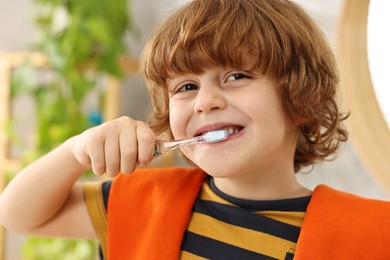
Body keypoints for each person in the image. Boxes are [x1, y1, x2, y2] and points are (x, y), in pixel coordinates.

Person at [1, 0, 390, 259]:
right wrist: (75, 151)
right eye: (186, 87)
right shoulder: (141, 202)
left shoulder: (375, 234)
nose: (205, 101)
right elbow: (18, 215)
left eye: (236, 75)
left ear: (299, 97)